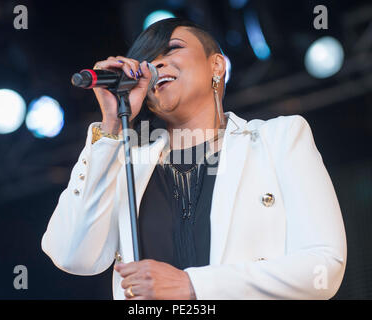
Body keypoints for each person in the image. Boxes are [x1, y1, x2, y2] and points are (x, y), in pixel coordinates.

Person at [41, 18, 347, 300]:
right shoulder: (125, 164)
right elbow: (73, 254)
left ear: (216, 66)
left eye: (172, 48)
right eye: (147, 60)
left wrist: (194, 286)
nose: (156, 63)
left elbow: (324, 266)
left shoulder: (278, 138)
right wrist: (111, 127)